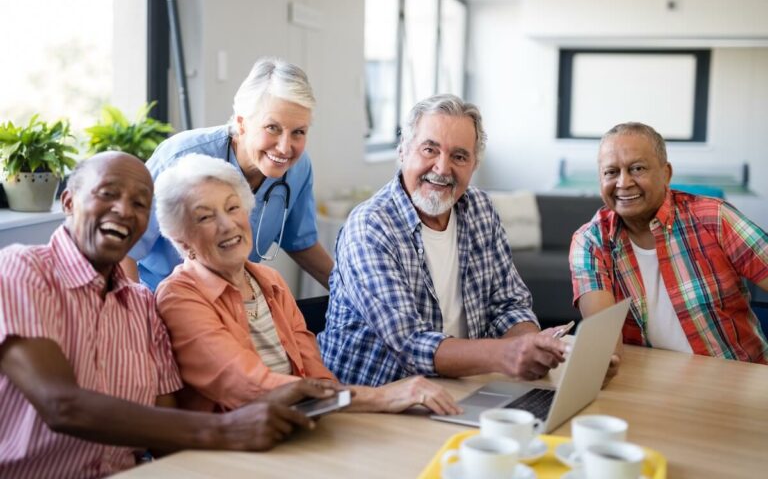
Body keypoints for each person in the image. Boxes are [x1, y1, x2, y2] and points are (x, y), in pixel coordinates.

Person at [0, 152, 339, 478]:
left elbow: (167, 424)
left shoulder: (141, 306)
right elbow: (62, 406)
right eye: (108, 194)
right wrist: (225, 428)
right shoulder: (23, 270)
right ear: (69, 202)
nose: (123, 210)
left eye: (139, 203)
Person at [152, 153, 460, 416]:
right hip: (234, 446)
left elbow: (317, 375)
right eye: (205, 217)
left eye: (233, 208)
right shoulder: (180, 297)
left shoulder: (268, 280)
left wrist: (345, 401)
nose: (227, 224)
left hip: (298, 425)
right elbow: (246, 386)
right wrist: (379, 396)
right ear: (183, 242)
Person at [317, 94, 569, 387]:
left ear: (474, 165)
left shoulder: (481, 210)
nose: (442, 167)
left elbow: (509, 305)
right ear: (403, 152)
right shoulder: (370, 227)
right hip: (375, 400)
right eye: (429, 150)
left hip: (460, 387)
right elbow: (410, 343)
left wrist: (534, 347)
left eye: (459, 156)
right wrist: (506, 353)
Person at [570, 122, 768, 376]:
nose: (623, 182)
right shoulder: (590, 242)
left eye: (637, 168)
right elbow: (605, 342)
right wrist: (597, 359)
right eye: (611, 172)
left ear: (666, 173)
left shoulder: (715, 218)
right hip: (647, 386)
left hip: (739, 379)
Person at [124, 57, 333, 291]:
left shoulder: (298, 169)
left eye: (298, 132)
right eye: (272, 128)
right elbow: (125, 249)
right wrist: (138, 316)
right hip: (161, 299)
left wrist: (349, 289)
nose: (285, 147)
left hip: (232, 301)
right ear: (242, 123)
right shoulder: (179, 158)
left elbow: (301, 242)